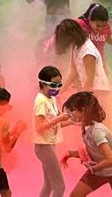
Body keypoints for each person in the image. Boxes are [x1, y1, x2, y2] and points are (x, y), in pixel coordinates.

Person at [61, 91, 112, 196]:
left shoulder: (97, 131)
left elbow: (110, 159)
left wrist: (93, 168)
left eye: (72, 110)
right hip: (99, 170)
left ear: (82, 111)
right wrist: (70, 154)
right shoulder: (85, 126)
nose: (69, 114)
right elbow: (92, 150)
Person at [33, 65, 71, 197]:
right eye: (54, 85)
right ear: (43, 84)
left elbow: (57, 124)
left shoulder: (51, 99)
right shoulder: (41, 101)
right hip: (44, 146)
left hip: (49, 144)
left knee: (49, 184)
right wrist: (58, 118)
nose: (57, 88)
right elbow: (39, 127)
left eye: (59, 84)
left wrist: (72, 121)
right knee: (60, 186)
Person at [54, 19, 110, 101]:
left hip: (98, 90)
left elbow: (90, 78)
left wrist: (83, 98)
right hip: (91, 90)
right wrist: (61, 91)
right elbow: (74, 72)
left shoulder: (88, 52)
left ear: (71, 36)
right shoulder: (77, 47)